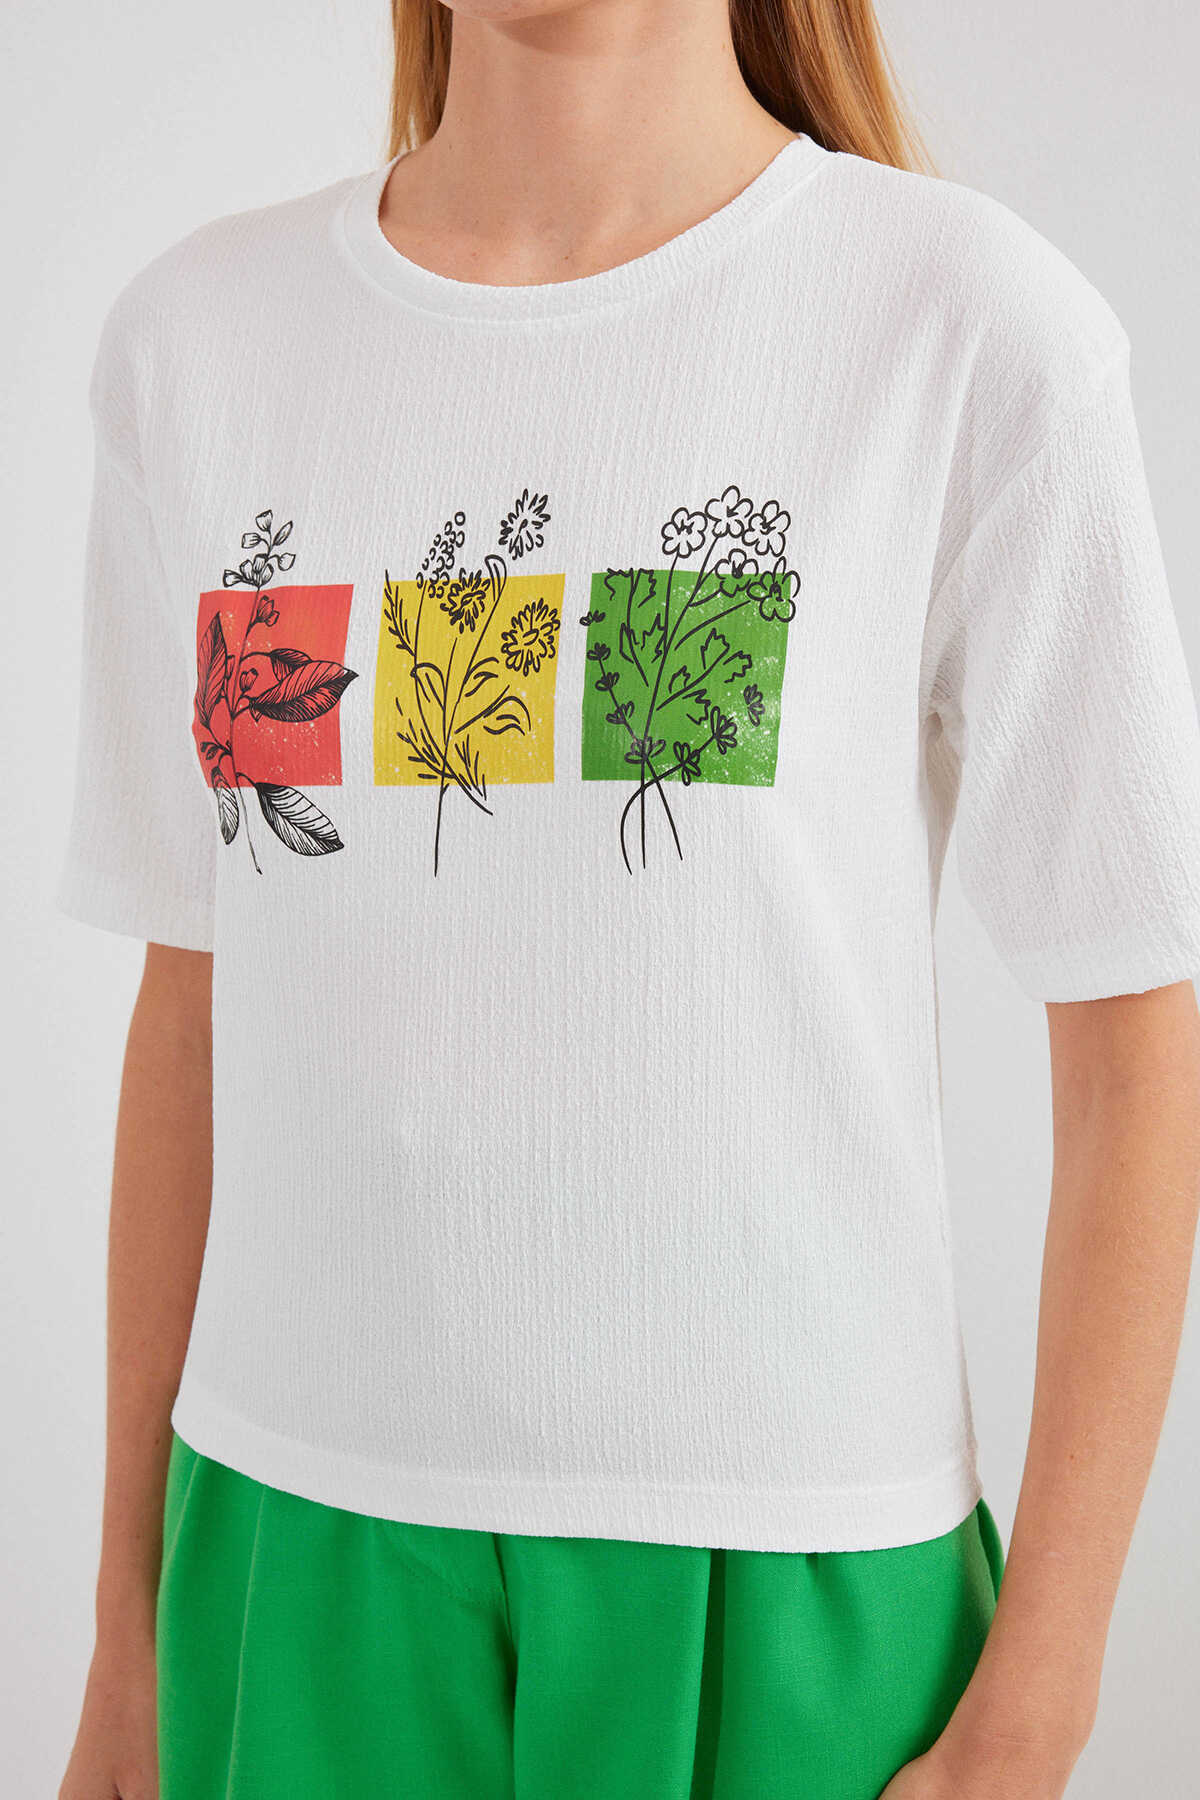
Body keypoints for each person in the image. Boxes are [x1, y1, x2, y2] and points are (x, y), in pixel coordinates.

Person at [54, 1, 1200, 1796]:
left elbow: (1137, 1041)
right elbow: (190, 1011)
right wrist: (127, 1636)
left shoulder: (967, 325)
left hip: (790, 1575)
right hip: (287, 1559)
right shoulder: (195, 340)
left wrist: (1041, 1690)